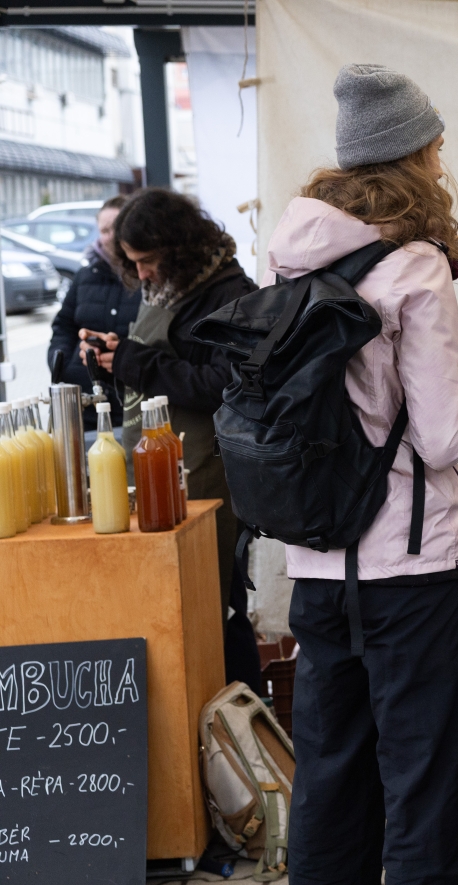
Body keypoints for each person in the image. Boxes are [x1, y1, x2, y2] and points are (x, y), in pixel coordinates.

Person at [266, 64, 458, 885]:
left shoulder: (291, 255)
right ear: (413, 153)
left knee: (331, 787)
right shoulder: (414, 265)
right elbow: (439, 436)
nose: (440, 158)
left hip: (319, 568)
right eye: (434, 145)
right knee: (426, 792)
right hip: (413, 572)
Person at [78, 189, 262, 693]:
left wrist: (139, 363)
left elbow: (227, 385)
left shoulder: (231, 294)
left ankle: (240, 718)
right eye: (132, 263)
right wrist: (116, 359)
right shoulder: (165, 289)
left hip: (209, 476)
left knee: (219, 605)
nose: (141, 274)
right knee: (170, 601)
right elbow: (159, 365)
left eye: (148, 261)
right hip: (159, 468)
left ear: (178, 248)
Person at [47, 194, 141, 433]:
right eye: (104, 230)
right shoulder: (85, 275)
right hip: (82, 398)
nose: (110, 236)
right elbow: (63, 326)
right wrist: (60, 364)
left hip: (133, 399)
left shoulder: (147, 275)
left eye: (116, 228)